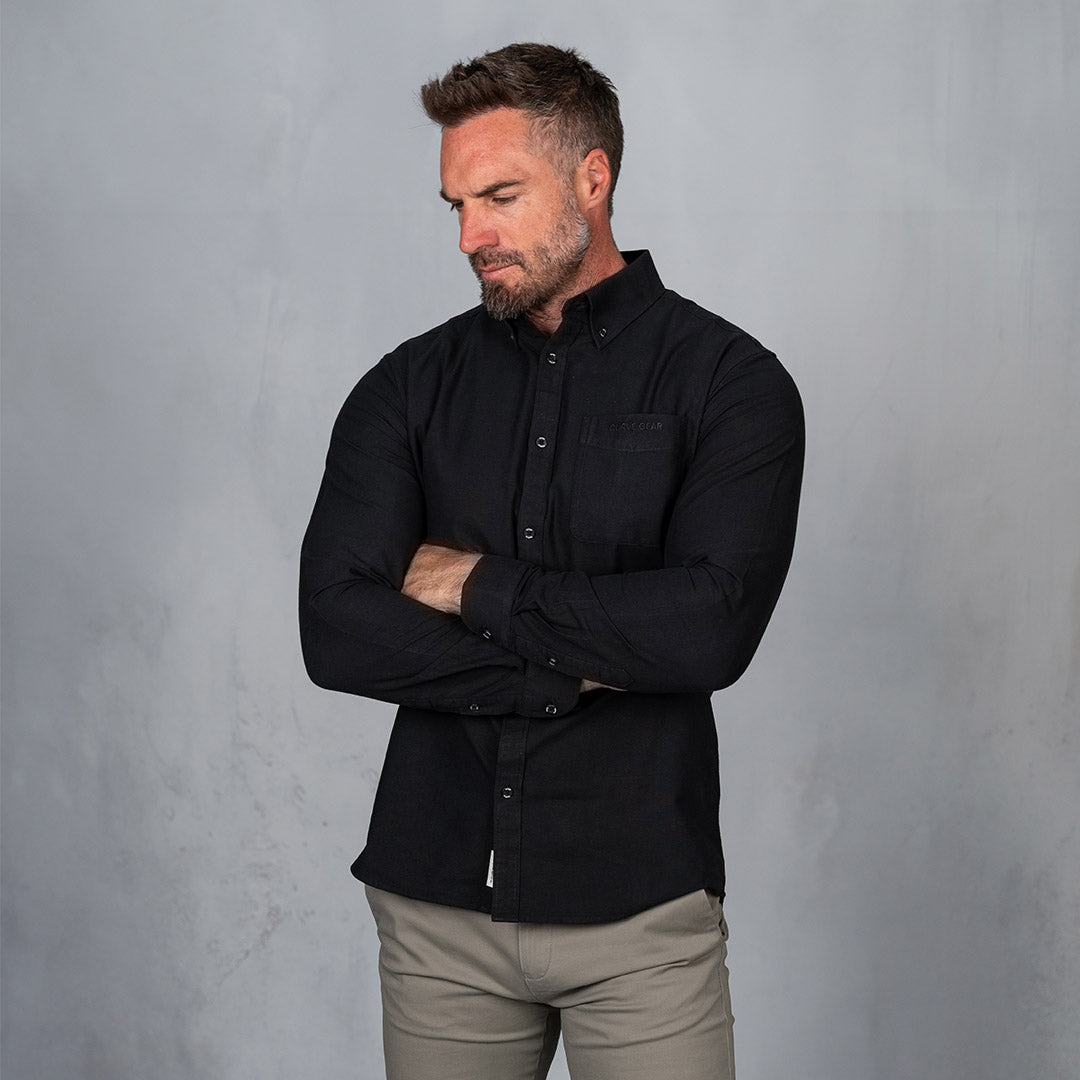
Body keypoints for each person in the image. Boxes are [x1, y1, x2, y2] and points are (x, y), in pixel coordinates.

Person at [300, 42, 803, 1080]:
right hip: (438, 912)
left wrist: (469, 584)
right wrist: (575, 666)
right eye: (456, 206)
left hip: (642, 913)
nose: (470, 236)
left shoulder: (732, 384)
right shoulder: (406, 388)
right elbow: (336, 629)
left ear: (592, 178)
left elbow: (706, 630)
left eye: (500, 197)